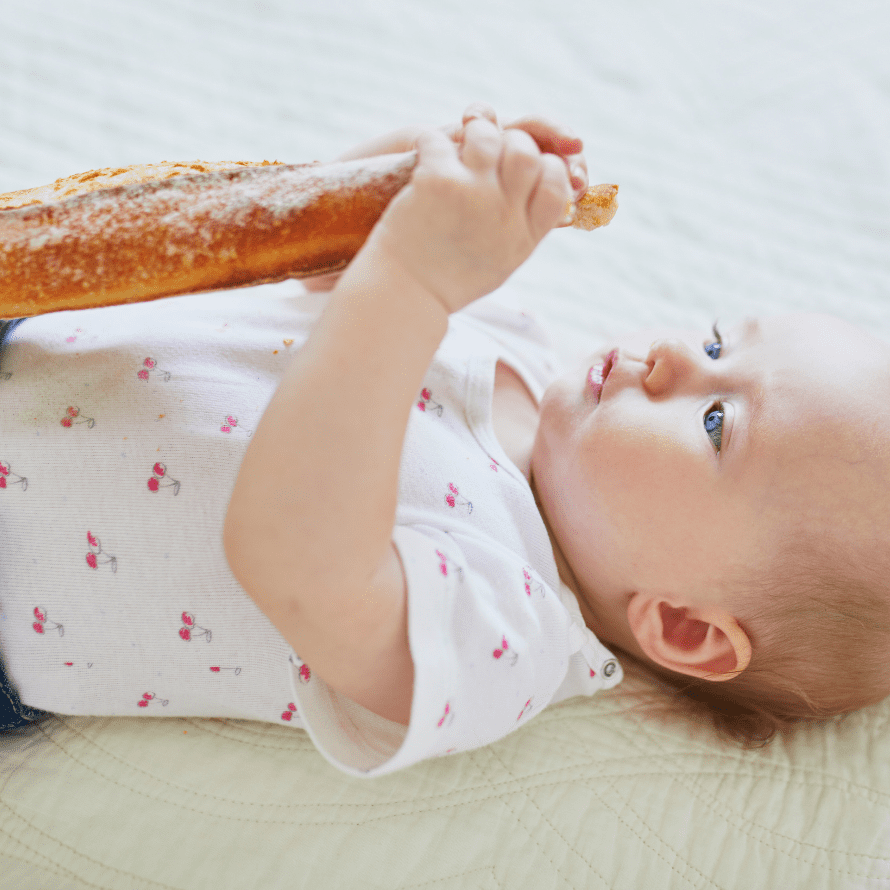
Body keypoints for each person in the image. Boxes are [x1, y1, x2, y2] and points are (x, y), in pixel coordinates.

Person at [2, 104, 889, 774]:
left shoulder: (506, 632)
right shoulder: (512, 337)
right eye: (714, 343)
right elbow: (320, 261)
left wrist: (417, 280)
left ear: (686, 626)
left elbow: (290, 558)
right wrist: (425, 178)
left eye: (715, 423)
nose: (669, 361)